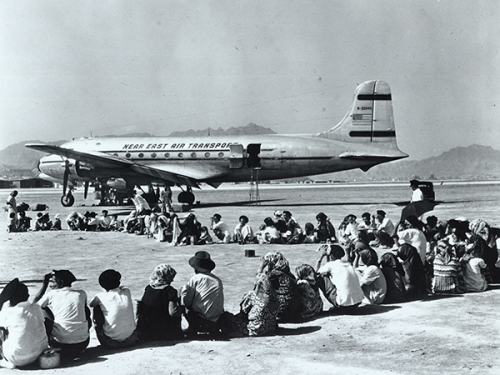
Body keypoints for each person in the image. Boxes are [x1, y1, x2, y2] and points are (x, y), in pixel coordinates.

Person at [34, 270, 91, 358]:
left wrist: (44, 284)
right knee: (83, 309)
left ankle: (47, 341)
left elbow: (34, 304)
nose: (50, 285)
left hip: (60, 344)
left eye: (52, 282)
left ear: (60, 282)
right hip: (83, 343)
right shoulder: (81, 294)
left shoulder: (52, 294)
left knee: (41, 309)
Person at [0, 278, 48, 369]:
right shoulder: (37, 307)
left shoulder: (8, 312)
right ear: (28, 296)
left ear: (10, 299)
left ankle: (4, 359)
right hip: (39, 353)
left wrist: (1, 299)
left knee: (3, 330)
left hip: (17, 358)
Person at [180, 251, 226, 336]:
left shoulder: (195, 279)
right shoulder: (217, 280)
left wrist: (183, 293)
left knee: (183, 300)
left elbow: (187, 301)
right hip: (216, 319)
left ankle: (192, 328)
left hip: (200, 319)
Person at [89, 270, 138, 349]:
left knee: (97, 307)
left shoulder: (100, 296)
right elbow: (123, 287)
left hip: (110, 343)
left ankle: (103, 333)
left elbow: (91, 304)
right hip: (131, 339)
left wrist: (105, 292)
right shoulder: (127, 291)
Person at [136, 264, 184, 341]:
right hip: (164, 333)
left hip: (147, 332)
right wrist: (183, 307)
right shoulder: (171, 291)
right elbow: (173, 312)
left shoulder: (148, 288)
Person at [228, 272, 279, 337]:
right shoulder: (274, 296)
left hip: (256, 329)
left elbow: (243, 310)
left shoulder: (253, 295)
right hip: (270, 328)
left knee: (227, 317)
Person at [315, 244, 364, 311]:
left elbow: (316, 272)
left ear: (331, 256)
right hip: (357, 303)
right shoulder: (348, 264)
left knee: (319, 277)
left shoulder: (331, 265)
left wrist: (321, 256)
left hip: (343, 305)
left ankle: (336, 305)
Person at [259, 252, 300, 322]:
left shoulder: (273, 274)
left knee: (260, 292)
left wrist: (261, 267)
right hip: (294, 310)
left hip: (283, 311)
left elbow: (258, 282)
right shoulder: (287, 272)